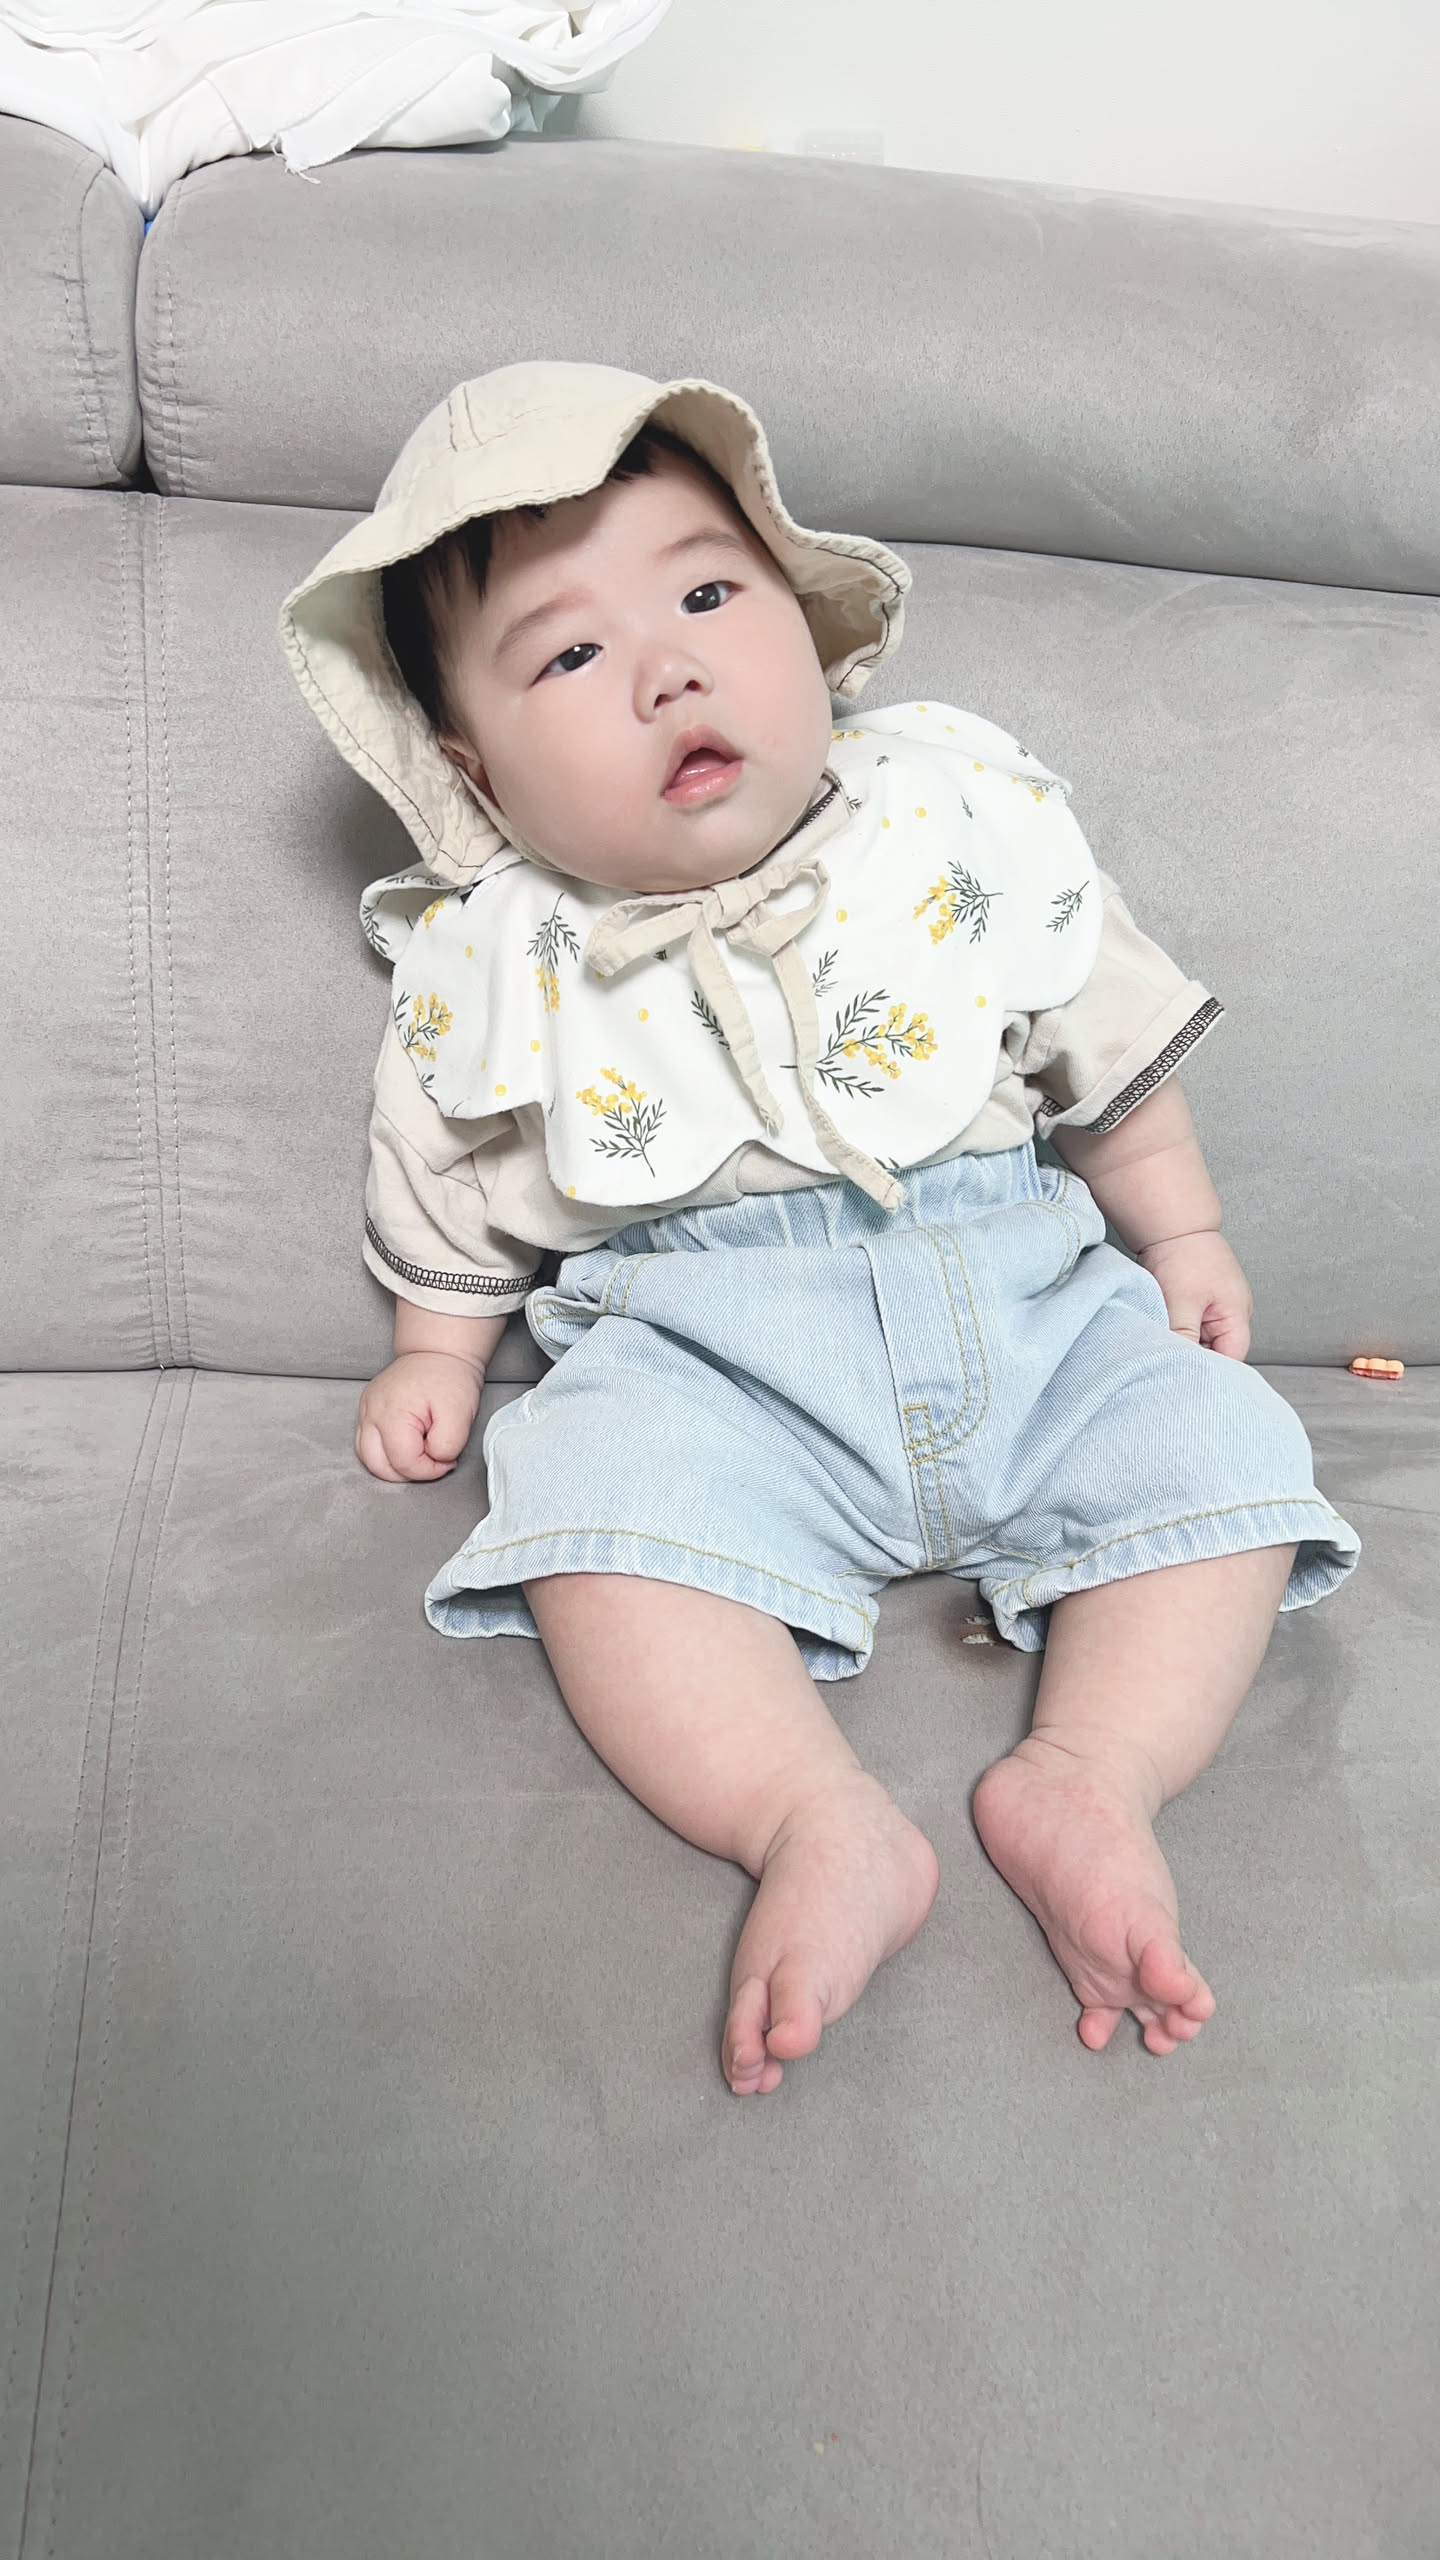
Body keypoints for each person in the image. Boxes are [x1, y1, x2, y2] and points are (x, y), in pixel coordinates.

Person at [280, 361, 1360, 2095]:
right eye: (571, 654)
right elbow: (444, 1160)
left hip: (1029, 1309)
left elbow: (1096, 1032)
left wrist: (1185, 1236)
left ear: (802, 618)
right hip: (714, 1370)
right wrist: (437, 1349)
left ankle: (1090, 1774)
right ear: (478, 775)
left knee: (1221, 1444)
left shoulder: (948, 814)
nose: (667, 669)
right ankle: (811, 1818)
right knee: (588, 1515)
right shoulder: (501, 954)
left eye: (709, 596)